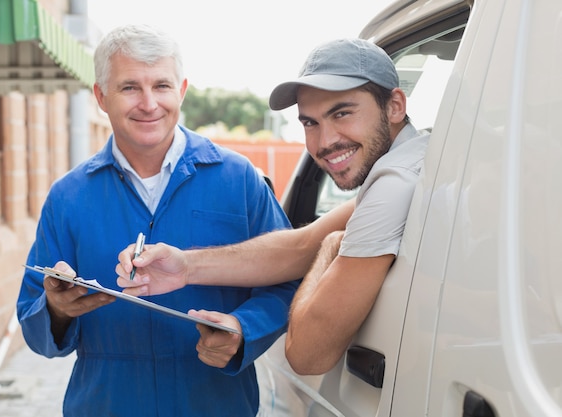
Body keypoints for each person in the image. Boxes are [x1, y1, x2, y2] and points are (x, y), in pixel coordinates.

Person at [16, 24, 299, 417]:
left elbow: (289, 279)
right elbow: (33, 316)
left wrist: (244, 328)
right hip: (106, 404)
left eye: (161, 86)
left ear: (181, 90)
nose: (149, 103)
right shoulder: (68, 197)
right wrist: (58, 310)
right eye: (130, 87)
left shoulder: (239, 180)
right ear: (101, 96)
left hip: (214, 403)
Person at [116, 38, 430, 376]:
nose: (324, 142)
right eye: (310, 122)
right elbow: (300, 245)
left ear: (395, 105)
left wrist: (331, 247)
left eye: (342, 113)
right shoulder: (416, 159)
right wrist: (186, 266)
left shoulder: (394, 184)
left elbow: (306, 356)